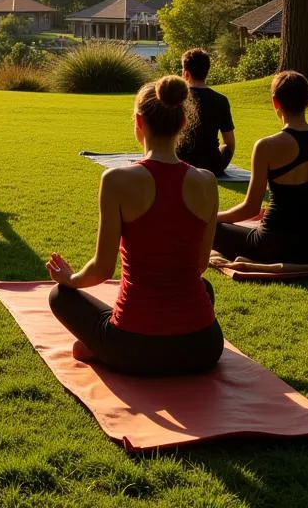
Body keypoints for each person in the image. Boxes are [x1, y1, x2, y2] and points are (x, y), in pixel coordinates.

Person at [46, 76, 223, 377]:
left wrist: (70, 278)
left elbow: (102, 269)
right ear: (183, 123)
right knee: (202, 287)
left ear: (139, 122)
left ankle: (102, 348)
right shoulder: (207, 181)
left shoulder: (117, 180)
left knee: (59, 296)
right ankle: (106, 347)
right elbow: (200, 265)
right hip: (203, 348)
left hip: (135, 348)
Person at [213, 71, 308, 264]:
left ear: (275, 102)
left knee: (214, 229)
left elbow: (249, 208)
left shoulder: (266, 146)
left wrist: (214, 217)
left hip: (276, 246)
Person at [176, 48, 235, 177]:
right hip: (211, 165)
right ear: (207, 71)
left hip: (180, 162)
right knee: (225, 148)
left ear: (186, 74)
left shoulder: (177, 98)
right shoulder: (221, 100)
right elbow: (230, 143)